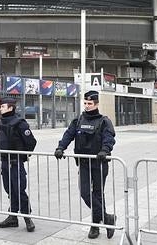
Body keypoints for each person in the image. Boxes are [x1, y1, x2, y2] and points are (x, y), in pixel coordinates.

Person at [54, 90, 117, 239]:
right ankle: (107, 218)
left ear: (96, 104)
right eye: (85, 103)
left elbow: (109, 138)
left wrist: (105, 150)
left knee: (98, 194)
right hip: (83, 163)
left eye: (90, 103)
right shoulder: (79, 120)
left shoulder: (104, 121)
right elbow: (68, 134)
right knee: (85, 193)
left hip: (99, 162)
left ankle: (95, 226)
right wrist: (60, 147)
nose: (87, 106)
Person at [0, 96, 37, 232]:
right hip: (5, 163)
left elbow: (31, 142)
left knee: (19, 191)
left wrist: (23, 156)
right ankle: (13, 218)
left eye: (3, 106)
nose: (0, 108)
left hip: (15, 163)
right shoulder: (1, 123)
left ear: (10, 108)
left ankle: (27, 218)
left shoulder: (20, 123)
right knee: (10, 191)